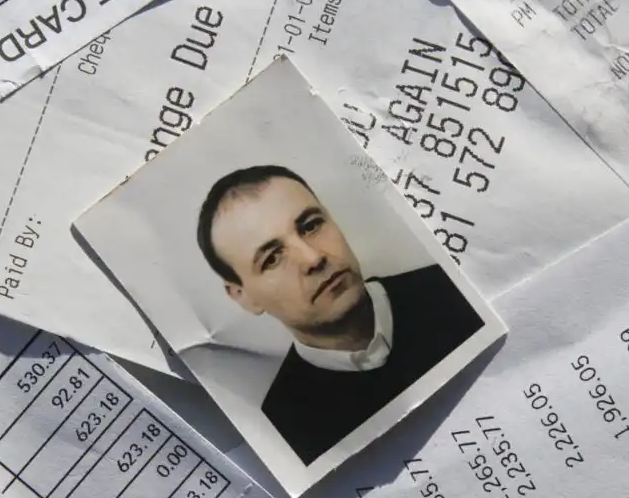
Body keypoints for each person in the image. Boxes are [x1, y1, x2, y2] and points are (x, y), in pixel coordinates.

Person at [197, 165, 484, 464]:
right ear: (244, 296)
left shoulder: (455, 290)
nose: (314, 258)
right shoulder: (285, 433)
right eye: (272, 258)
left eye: (310, 226)